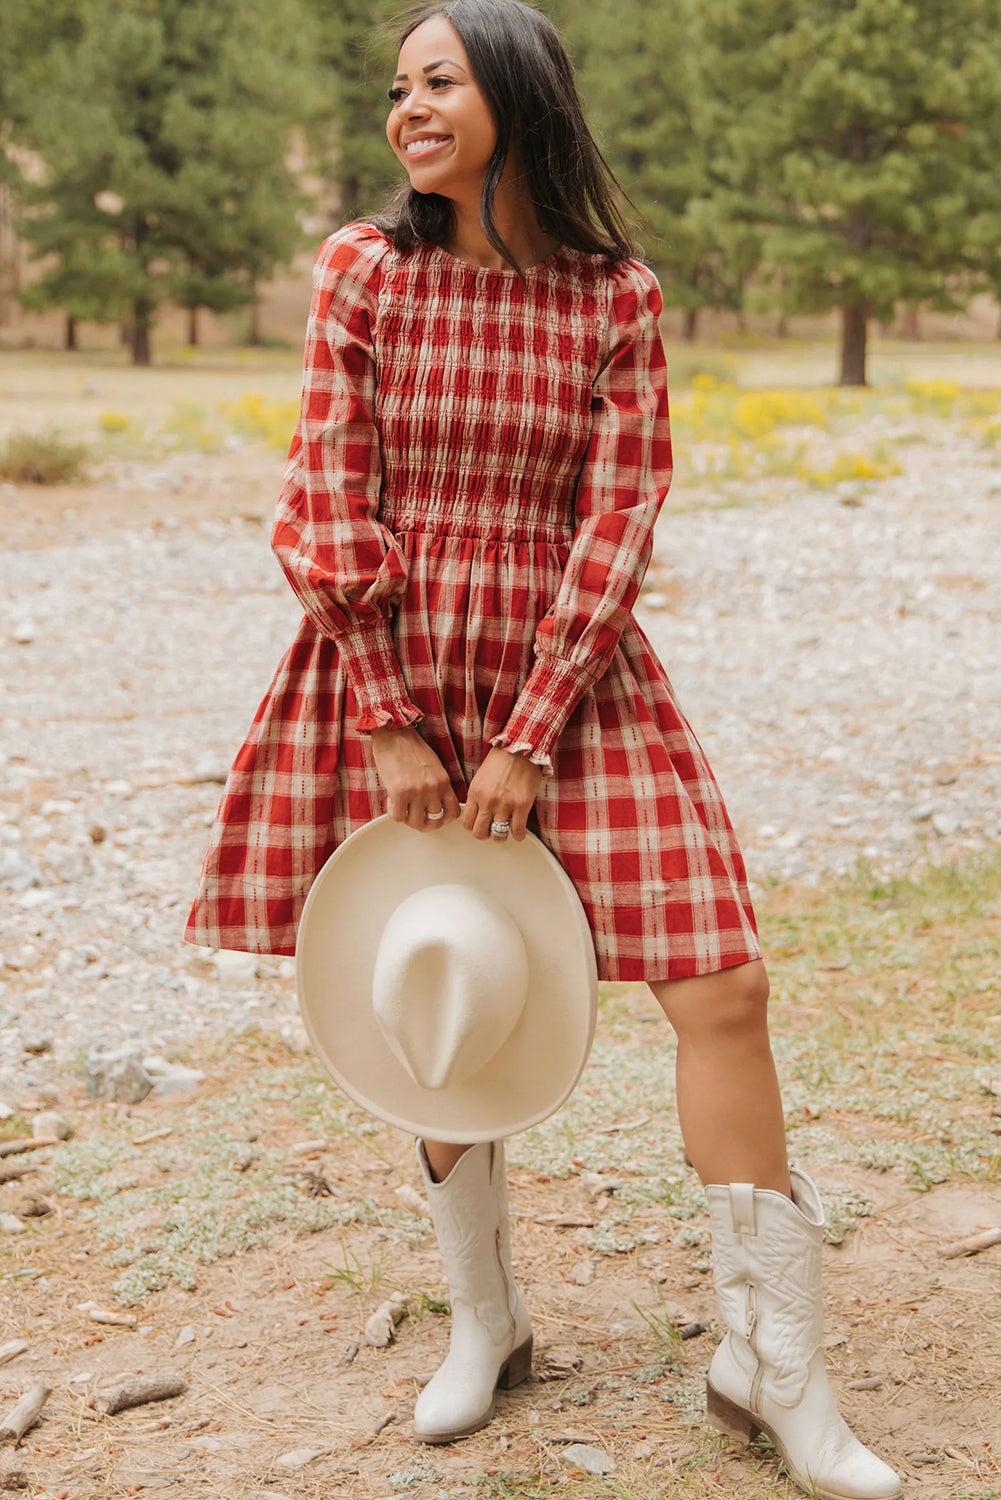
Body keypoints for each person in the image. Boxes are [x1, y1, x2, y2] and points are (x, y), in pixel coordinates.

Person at [186, 2, 900, 1495]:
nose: (407, 106)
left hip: (574, 675)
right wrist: (385, 712)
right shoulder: (363, 273)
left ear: (517, 89)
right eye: (396, 87)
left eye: (437, 79)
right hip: (392, 667)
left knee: (721, 980)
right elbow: (324, 494)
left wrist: (529, 728)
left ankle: (770, 1364)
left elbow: (619, 512)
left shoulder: (611, 295)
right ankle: (486, 1321)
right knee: (432, 979)